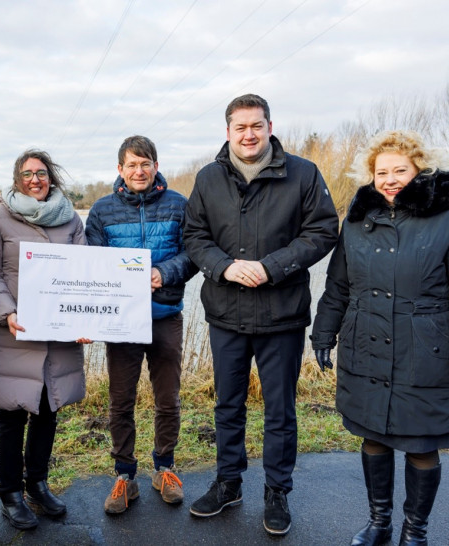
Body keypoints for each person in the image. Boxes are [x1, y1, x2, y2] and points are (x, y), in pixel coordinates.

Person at [183, 94, 338, 536]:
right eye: (240, 127)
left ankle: (277, 492)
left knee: (280, 411)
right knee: (227, 405)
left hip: (281, 315)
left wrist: (272, 267)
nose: (248, 135)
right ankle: (228, 483)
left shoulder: (303, 173)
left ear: (270, 127)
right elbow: (194, 234)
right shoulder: (209, 178)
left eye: (256, 126)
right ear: (228, 131)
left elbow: (324, 230)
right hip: (225, 315)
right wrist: (224, 266)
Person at [312, 130, 448, 546]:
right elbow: (337, 285)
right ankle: (379, 523)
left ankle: (415, 531)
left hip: (425, 349)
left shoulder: (443, 218)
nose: (390, 179)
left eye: (399, 171)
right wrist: (323, 332)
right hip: (366, 342)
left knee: (421, 443)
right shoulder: (356, 222)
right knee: (374, 435)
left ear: (418, 170)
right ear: (371, 176)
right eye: (381, 172)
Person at [85, 135, 197, 515]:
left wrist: (164, 272)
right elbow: (93, 266)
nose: (139, 171)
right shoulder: (101, 210)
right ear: (119, 169)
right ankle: (125, 475)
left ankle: (165, 467)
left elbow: (193, 254)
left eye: (145, 163)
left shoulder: (179, 205)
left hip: (166, 315)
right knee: (121, 401)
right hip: (121, 323)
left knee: (168, 399)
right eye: (131, 165)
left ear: (155, 165)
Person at [0, 148, 87, 530]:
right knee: (12, 414)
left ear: (51, 177)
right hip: (15, 332)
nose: (35, 179)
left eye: (41, 173)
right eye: (27, 174)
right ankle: (10, 492)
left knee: (48, 410)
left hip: (58, 337)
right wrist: (7, 312)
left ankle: (37, 484)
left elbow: (83, 274)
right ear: (16, 179)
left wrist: (85, 317)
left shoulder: (71, 219)